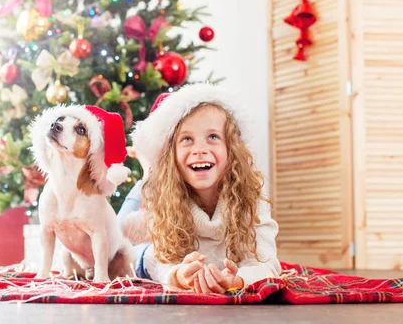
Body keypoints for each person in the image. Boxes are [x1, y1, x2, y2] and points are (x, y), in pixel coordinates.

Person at [119, 83, 281, 293]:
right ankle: (146, 170)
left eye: (213, 137)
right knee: (119, 240)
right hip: (139, 244)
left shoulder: (251, 195)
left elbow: (268, 264)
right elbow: (157, 260)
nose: (200, 150)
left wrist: (238, 280)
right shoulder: (164, 195)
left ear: (231, 149)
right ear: (172, 156)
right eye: (187, 139)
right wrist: (177, 275)